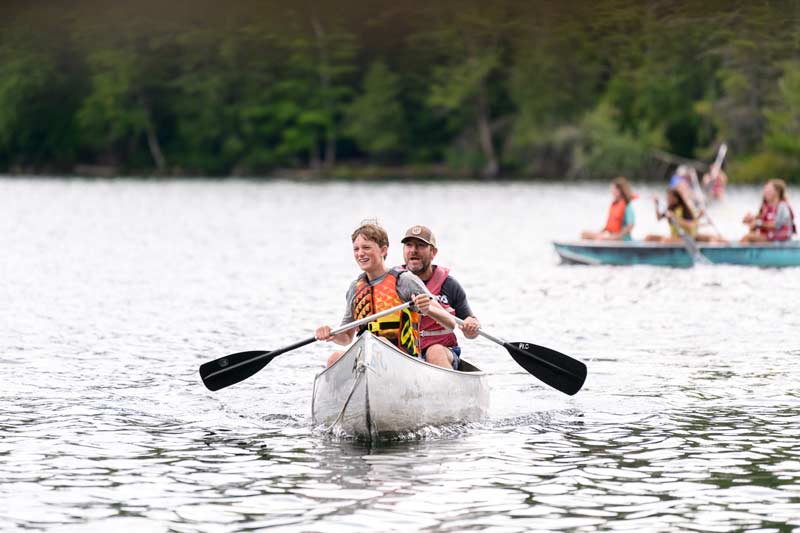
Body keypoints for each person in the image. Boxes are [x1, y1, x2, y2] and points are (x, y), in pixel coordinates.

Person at [315, 221, 456, 368]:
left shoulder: (404, 280)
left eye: (366, 247)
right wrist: (331, 334)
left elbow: (450, 323)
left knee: (379, 344)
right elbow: (346, 337)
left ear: (383, 250)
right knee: (334, 359)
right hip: (369, 361)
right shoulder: (355, 288)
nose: (360, 253)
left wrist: (428, 309)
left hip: (405, 363)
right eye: (356, 249)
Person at [401, 225, 480, 370]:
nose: (413, 250)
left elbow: (471, 331)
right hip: (405, 355)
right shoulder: (395, 281)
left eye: (421, 245)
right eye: (409, 245)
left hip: (443, 351)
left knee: (434, 351)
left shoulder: (450, 285)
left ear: (433, 252)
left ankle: (450, 390)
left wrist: (471, 326)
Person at [740, 179, 797, 243]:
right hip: (770, 237)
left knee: (748, 237)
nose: (765, 192)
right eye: (765, 189)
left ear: (777, 192)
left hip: (780, 239)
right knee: (752, 230)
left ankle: (743, 252)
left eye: (768, 190)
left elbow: (776, 225)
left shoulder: (782, 206)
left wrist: (758, 223)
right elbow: (758, 220)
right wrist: (750, 219)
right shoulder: (766, 206)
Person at [581, 176, 636, 241]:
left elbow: (630, 226)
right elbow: (609, 226)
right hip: (611, 236)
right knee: (584, 234)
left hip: (622, 239)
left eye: (614, 189)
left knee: (598, 238)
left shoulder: (627, 207)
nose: (612, 191)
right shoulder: (615, 205)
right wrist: (599, 233)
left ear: (620, 191)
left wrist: (616, 236)